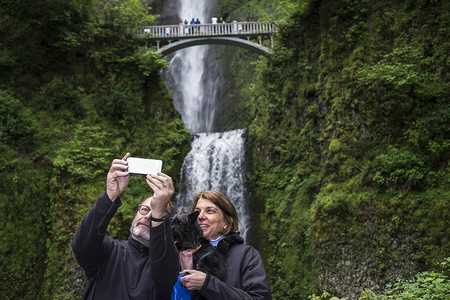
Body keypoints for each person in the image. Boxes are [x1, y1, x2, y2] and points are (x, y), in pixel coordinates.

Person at [72, 153, 179, 300]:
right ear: (135, 215)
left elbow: (166, 278)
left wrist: (159, 214)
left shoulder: (168, 265)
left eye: (156, 213)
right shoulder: (108, 251)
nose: (148, 216)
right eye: (145, 210)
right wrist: (110, 195)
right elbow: (81, 246)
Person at [179, 191, 272, 299]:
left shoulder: (247, 255)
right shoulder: (182, 253)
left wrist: (208, 284)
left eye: (210, 211)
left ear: (226, 223)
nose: (200, 216)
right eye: (197, 211)